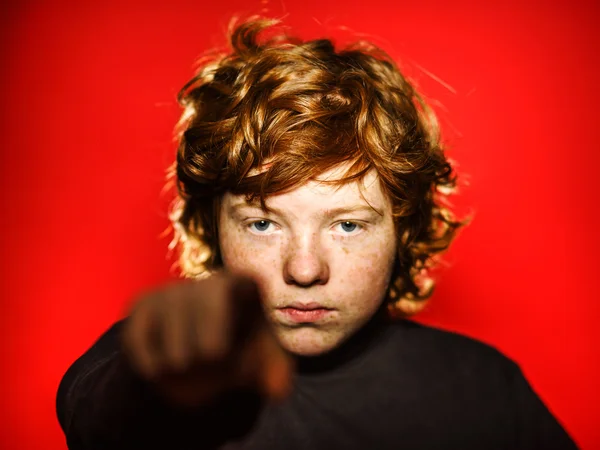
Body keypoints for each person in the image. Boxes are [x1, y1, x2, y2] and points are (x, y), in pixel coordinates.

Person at [56, 17, 578, 450]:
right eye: (263, 224)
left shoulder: (484, 392)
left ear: (403, 229)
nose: (304, 270)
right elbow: (103, 415)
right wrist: (163, 382)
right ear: (212, 227)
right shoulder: (149, 369)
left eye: (347, 225)